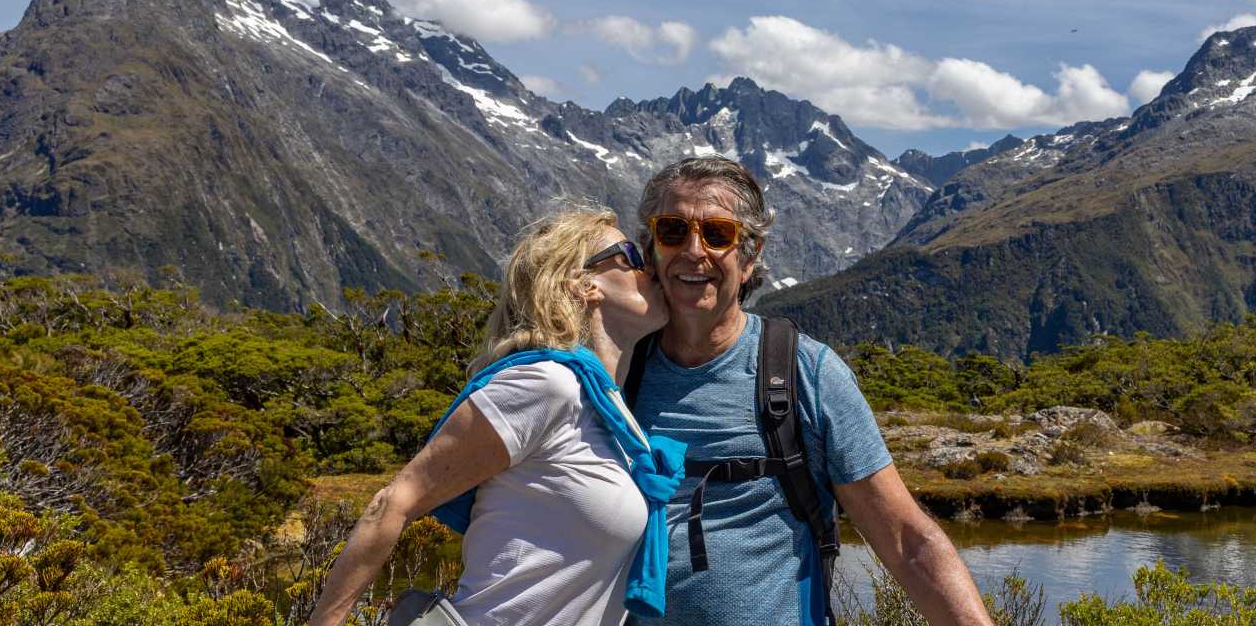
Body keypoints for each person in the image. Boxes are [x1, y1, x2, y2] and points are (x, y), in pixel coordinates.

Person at [626, 157, 994, 626]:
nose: (694, 251)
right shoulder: (616, 373)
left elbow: (906, 539)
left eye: (718, 233)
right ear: (650, 246)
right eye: (673, 230)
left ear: (750, 253)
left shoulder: (805, 373)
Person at [311, 207, 675, 626]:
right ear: (582, 283)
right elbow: (393, 503)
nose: (650, 269)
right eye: (631, 255)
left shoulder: (611, 412)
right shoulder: (545, 385)